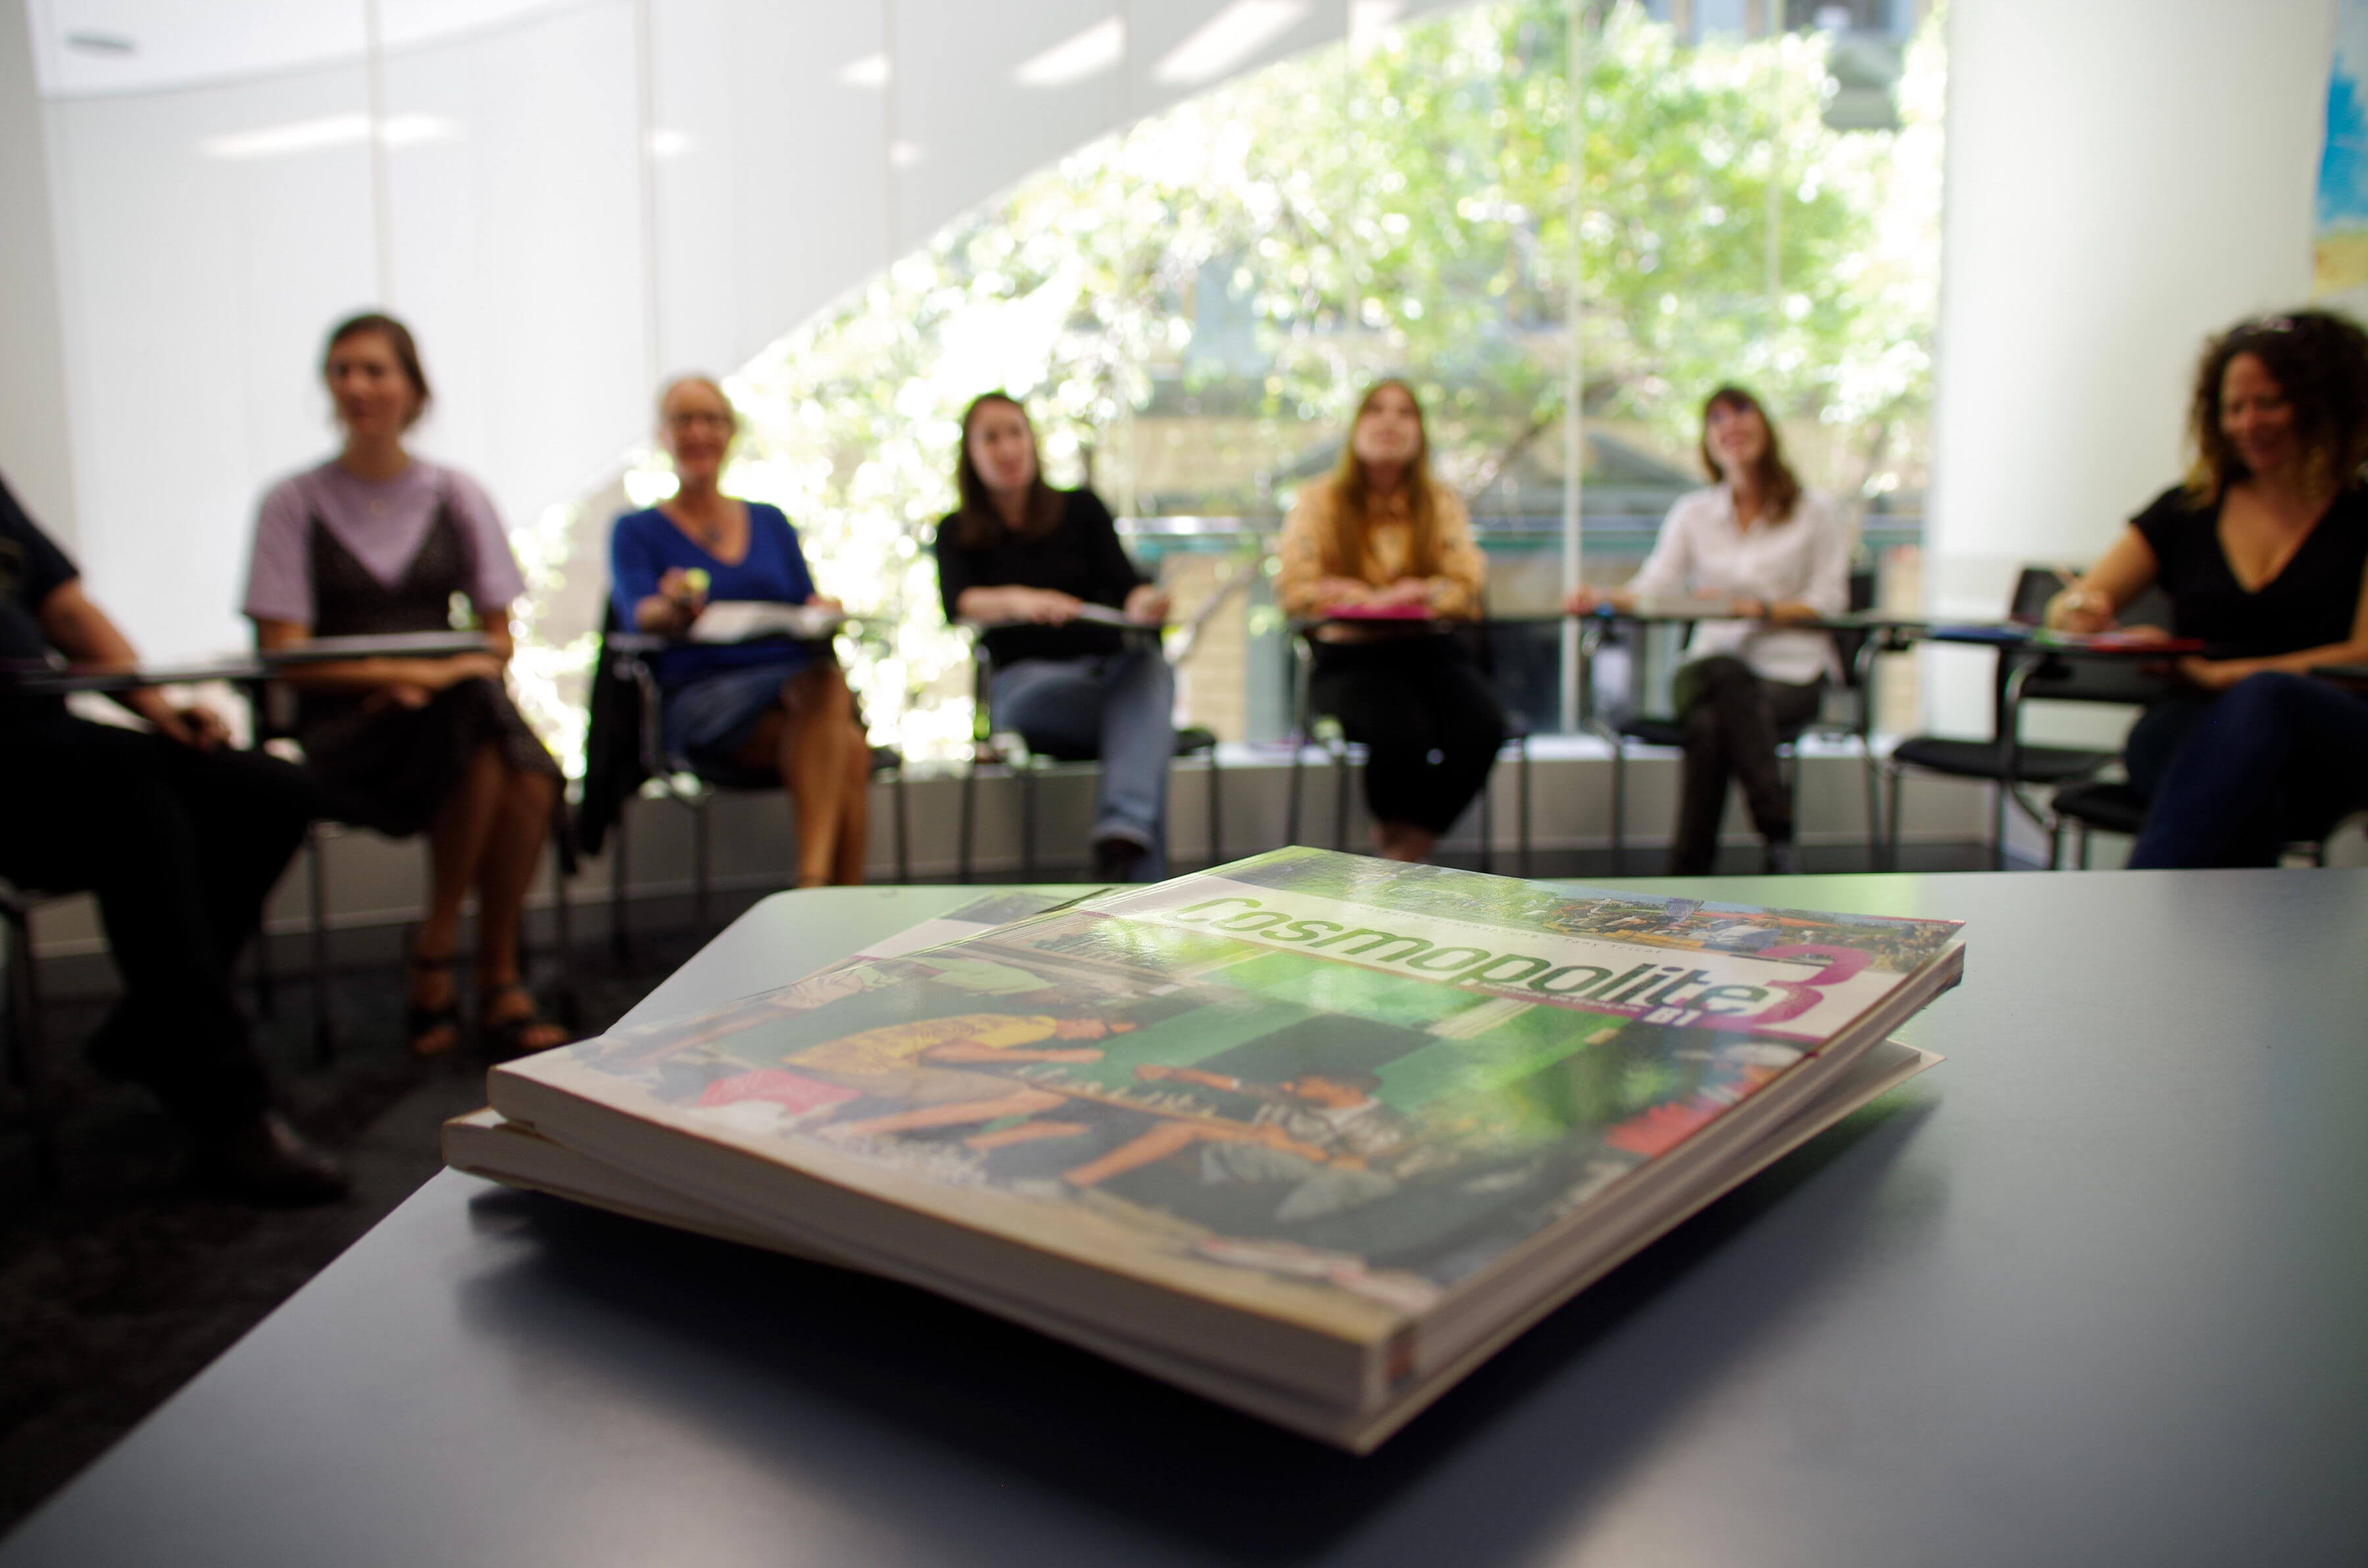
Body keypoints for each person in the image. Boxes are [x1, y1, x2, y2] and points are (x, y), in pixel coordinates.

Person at [0, 473, 347, 1202]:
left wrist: (159, 709)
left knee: (271, 791)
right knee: (132, 798)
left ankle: (151, 1027)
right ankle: (227, 1100)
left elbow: (63, 610)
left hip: (51, 735)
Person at [244, 312, 568, 1058]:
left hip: (449, 710)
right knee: (500, 745)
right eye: (342, 369)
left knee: (504, 757)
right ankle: (483, 966)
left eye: (375, 369)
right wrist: (404, 676)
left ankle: (452, 956)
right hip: (345, 727)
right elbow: (285, 654)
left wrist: (437, 681)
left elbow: (496, 637)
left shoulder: (456, 494)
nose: (357, 385)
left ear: (412, 389)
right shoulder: (291, 503)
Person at [2047, 309, 2368, 868]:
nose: (2247, 423)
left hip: (2331, 736)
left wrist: (2220, 676)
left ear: (2326, 405)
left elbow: (2362, 653)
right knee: (2245, 785)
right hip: (2190, 727)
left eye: (2267, 403)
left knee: (2264, 703)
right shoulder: (2187, 510)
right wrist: (2082, 608)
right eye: (2233, 408)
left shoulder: (2361, 514)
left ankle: (2138, 929)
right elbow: (2069, 606)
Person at [1564, 385, 1850, 875]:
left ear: (1766, 425)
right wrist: (1602, 596)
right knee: (1723, 671)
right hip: (1707, 669)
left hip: (1791, 673)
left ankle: (1688, 869)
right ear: (1707, 440)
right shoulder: (1692, 514)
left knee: (1711, 724)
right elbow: (1654, 588)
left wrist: (1754, 609)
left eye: (1741, 412)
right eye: (1716, 418)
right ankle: (1775, 827)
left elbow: (1830, 603)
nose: (1730, 426)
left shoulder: (1815, 512)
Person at [610, 376, 870, 887]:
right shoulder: (636, 530)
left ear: (730, 433)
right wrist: (675, 605)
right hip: (703, 702)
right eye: (683, 420)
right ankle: (821, 894)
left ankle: (817, 892)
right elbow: (639, 616)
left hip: (791, 697)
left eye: (710, 419)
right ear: (662, 435)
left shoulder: (771, 523)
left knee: (832, 715)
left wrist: (823, 609)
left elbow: (804, 608)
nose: (698, 432)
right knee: (844, 741)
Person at [933, 392, 1173, 882]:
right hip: (1028, 689)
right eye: (991, 437)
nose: (1007, 448)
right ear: (970, 454)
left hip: (1108, 677)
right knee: (1145, 728)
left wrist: (1145, 603)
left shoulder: (1083, 509)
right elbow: (959, 603)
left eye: (1015, 433)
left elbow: (1128, 587)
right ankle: (1134, 864)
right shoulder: (957, 531)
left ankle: (1121, 842)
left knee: (1150, 672)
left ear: (1033, 441)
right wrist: (1023, 600)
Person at [1275, 378, 1504, 864]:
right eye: (1376, 410)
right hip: (1350, 656)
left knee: (1484, 725)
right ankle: (1397, 851)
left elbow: (1466, 585)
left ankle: (1407, 849)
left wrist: (1414, 592)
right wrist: (1366, 599)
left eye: (1405, 412)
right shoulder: (1320, 501)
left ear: (1420, 432)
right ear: (1356, 426)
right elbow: (1294, 588)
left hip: (1427, 650)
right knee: (1402, 728)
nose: (1390, 423)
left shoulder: (1439, 502)